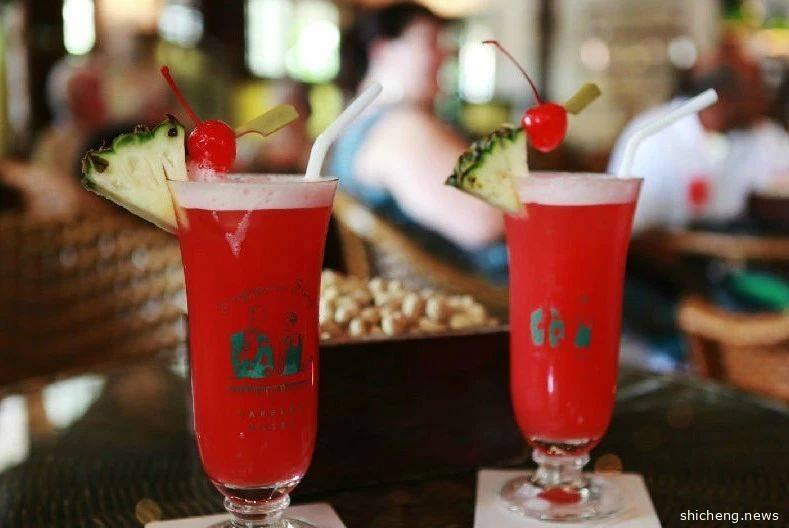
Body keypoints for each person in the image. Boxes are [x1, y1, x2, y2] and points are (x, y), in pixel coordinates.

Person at [330, 2, 507, 282]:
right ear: (383, 51)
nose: (446, 53)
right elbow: (486, 219)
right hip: (484, 295)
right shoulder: (400, 129)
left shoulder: (365, 125)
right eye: (430, 41)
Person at [609, 34, 789, 234]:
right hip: (664, 253)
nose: (766, 102)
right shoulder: (653, 136)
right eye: (759, 91)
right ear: (725, 101)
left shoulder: (765, 136)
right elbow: (631, 225)